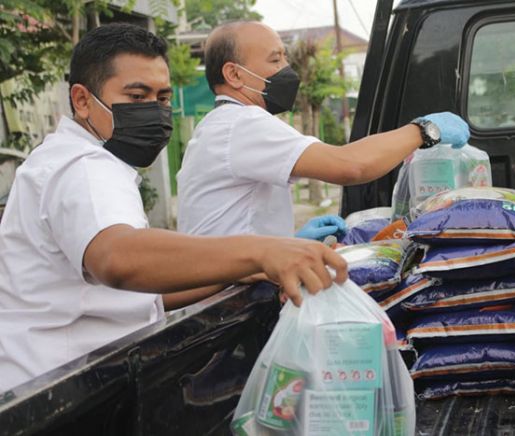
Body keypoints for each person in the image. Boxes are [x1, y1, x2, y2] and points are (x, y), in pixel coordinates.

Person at [0, 23, 347, 392]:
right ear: (83, 100)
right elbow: (119, 259)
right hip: (54, 396)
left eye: (163, 97)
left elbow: (144, 293)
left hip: (72, 386)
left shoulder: (82, 162)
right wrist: (261, 251)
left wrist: (245, 269)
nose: (154, 109)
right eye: (136, 96)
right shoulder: (83, 168)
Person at [176, 21, 470, 240]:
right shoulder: (240, 124)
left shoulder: (223, 125)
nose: (287, 69)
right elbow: (350, 165)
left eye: (285, 57)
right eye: (275, 59)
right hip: (233, 300)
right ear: (234, 74)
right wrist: (425, 129)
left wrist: (291, 242)